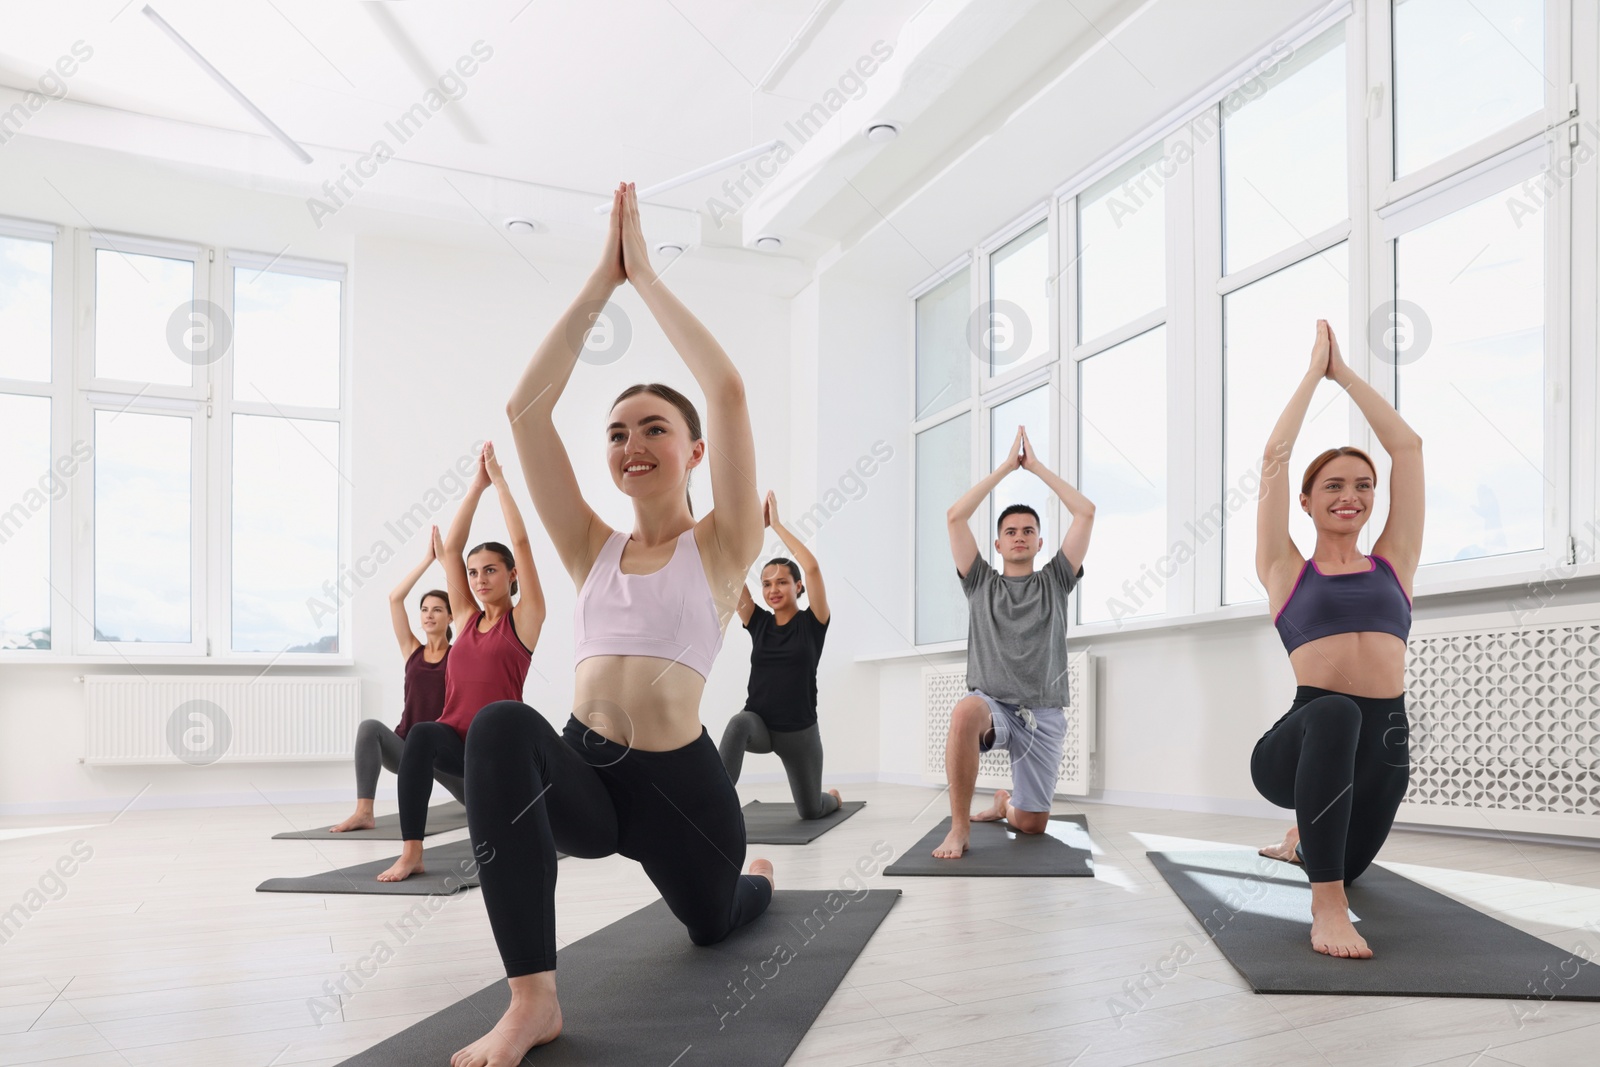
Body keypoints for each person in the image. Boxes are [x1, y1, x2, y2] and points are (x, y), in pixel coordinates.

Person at [451, 182, 773, 1066]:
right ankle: (533, 1001)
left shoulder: (722, 546)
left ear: (693, 450)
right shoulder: (589, 544)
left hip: (684, 799)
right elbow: (524, 413)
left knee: (717, 924)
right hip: (587, 776)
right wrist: (600, 280)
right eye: (618, 430)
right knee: (502, 725)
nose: (633, 443)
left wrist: (647, 277)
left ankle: (754, 883)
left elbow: (728, 388)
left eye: (655, 428)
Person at [1252, 319, 1422, 959]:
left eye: (1361, 485)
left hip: (1385, 742)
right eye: (1333, 485)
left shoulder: (1394, 563)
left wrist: (1347, 375)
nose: (1349, 496)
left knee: (1344, 861)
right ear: (1306, 501)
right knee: (1335, 711)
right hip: (1299, 741)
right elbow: (1274, 456)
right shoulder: (1284, 568)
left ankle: (1305, 844)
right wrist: (1312, 375)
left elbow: (1407, 448)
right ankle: (1327, 909)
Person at [376, 442, 545, 882]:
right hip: (457, 742)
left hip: (497, 749)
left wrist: (501, 482)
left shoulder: (523, 621)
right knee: (422, 734)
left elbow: (522, 542)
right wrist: (476, 486)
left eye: (490, 570)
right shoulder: (466, 619)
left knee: (511, 842)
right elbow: (451, 550)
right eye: (473, 573)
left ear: (511, 575)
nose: (479, 579)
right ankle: (412, 851)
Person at [934, 426, 1093, 860]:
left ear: (1040, 543)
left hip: (1042, 714)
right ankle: (960, 828)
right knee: (965, 710)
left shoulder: (1056, 581)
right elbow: (954, 517)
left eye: (1028, 530)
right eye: (1011, 531)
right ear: (998, 542)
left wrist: (1036, 468)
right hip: (993, 705)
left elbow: (1085, 513)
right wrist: (1006, 468)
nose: (1019, 536)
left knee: (1031, 826)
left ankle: (1005, 804)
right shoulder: (980, 582)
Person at [718, 490, 842, 819]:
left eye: (782, 582)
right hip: (759, 725)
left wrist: (775, 525)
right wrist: (752, 533)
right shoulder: (757, 622)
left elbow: (812, 568)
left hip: (799, 734)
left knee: (811, 811)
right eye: (767, 583)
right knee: (737, 724)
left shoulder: (813, 623)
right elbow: (731, 576)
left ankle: (832, 798)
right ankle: (714, 803)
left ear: (797, 587)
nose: (773, 589)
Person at [329, 528, 462, 832]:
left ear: (451, 617)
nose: (429, 615)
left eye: (438, 610)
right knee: (369, 729)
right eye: (425, 610)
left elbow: (470, 607)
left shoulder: (460, 654)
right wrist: (426, 560)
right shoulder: (412, 650)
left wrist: (445, 562)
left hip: (445, 753)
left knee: (480, 804)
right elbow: (394, 599)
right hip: (408, 747)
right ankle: (364, 811)